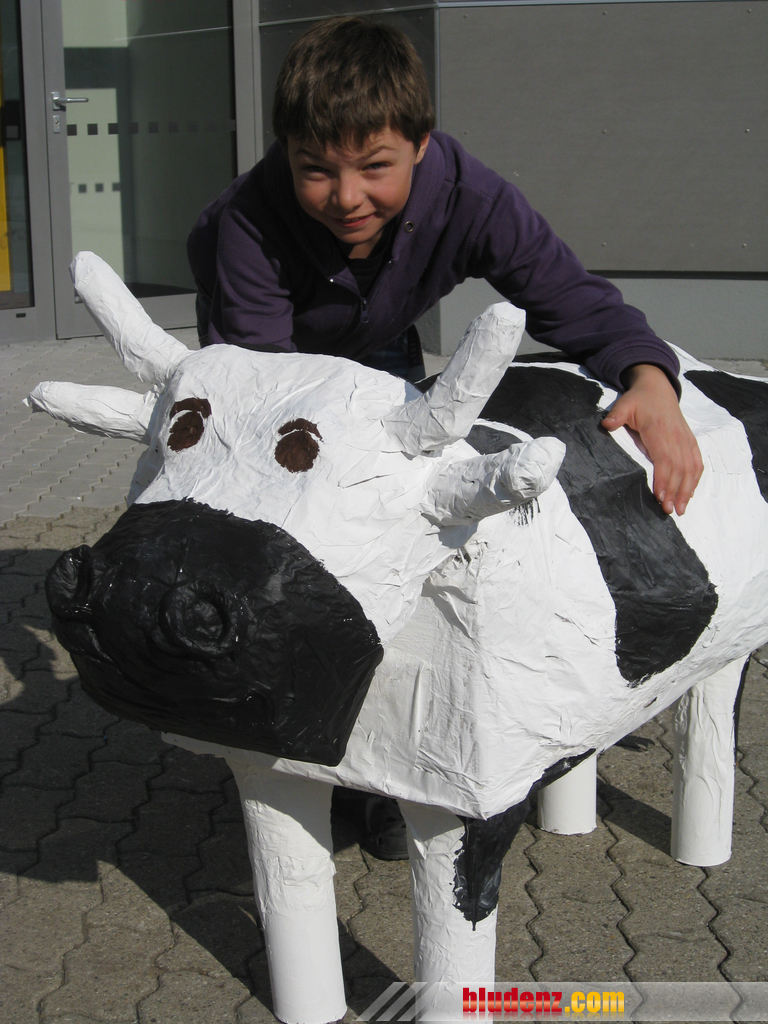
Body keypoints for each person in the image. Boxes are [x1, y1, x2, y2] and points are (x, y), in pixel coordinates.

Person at [187, 15, 703, 858]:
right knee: (290, 534)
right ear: (286, 152)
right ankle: (297, 740)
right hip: (266, 362)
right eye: (315, 168)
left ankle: (390, 752)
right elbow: (269, 397)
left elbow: (568, 295)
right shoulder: (246, 221)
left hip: (379, 338)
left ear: (421, 145)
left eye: (375, 166)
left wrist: (650, 378)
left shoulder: (472, 195)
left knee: (403, 529)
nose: (345, 196)